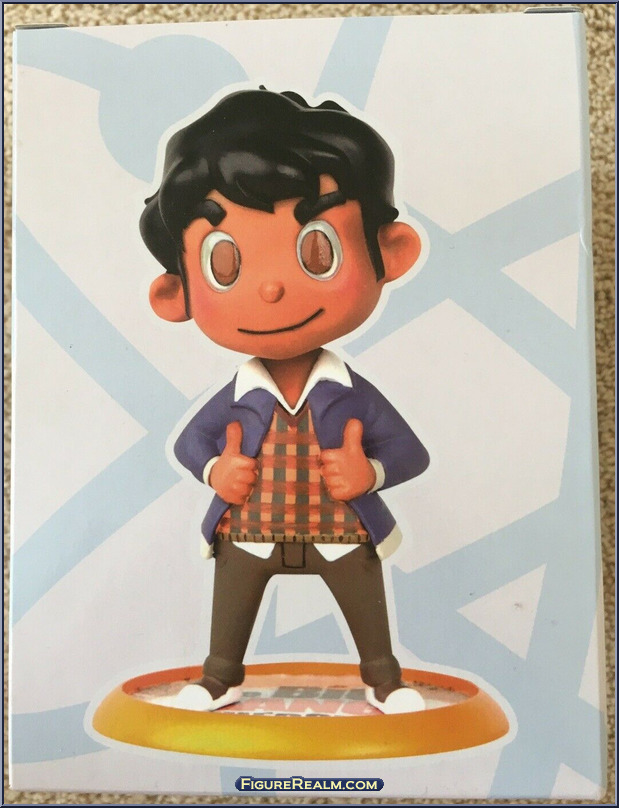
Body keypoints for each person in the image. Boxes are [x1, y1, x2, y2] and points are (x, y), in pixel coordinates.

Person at [141, 88, 430, 714]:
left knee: (366, 607)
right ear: (175, 292)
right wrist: (216, 470)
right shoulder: (236, 396)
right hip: (250, 529)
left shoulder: (352, 394)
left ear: (392, 252)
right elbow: (191, 444)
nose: (271, 287)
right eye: (225, 264)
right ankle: (220, 675)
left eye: (317, 251)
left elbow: (410, 453)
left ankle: (383, 677)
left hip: (340, 530)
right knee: (231, 607)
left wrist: (370, 473)